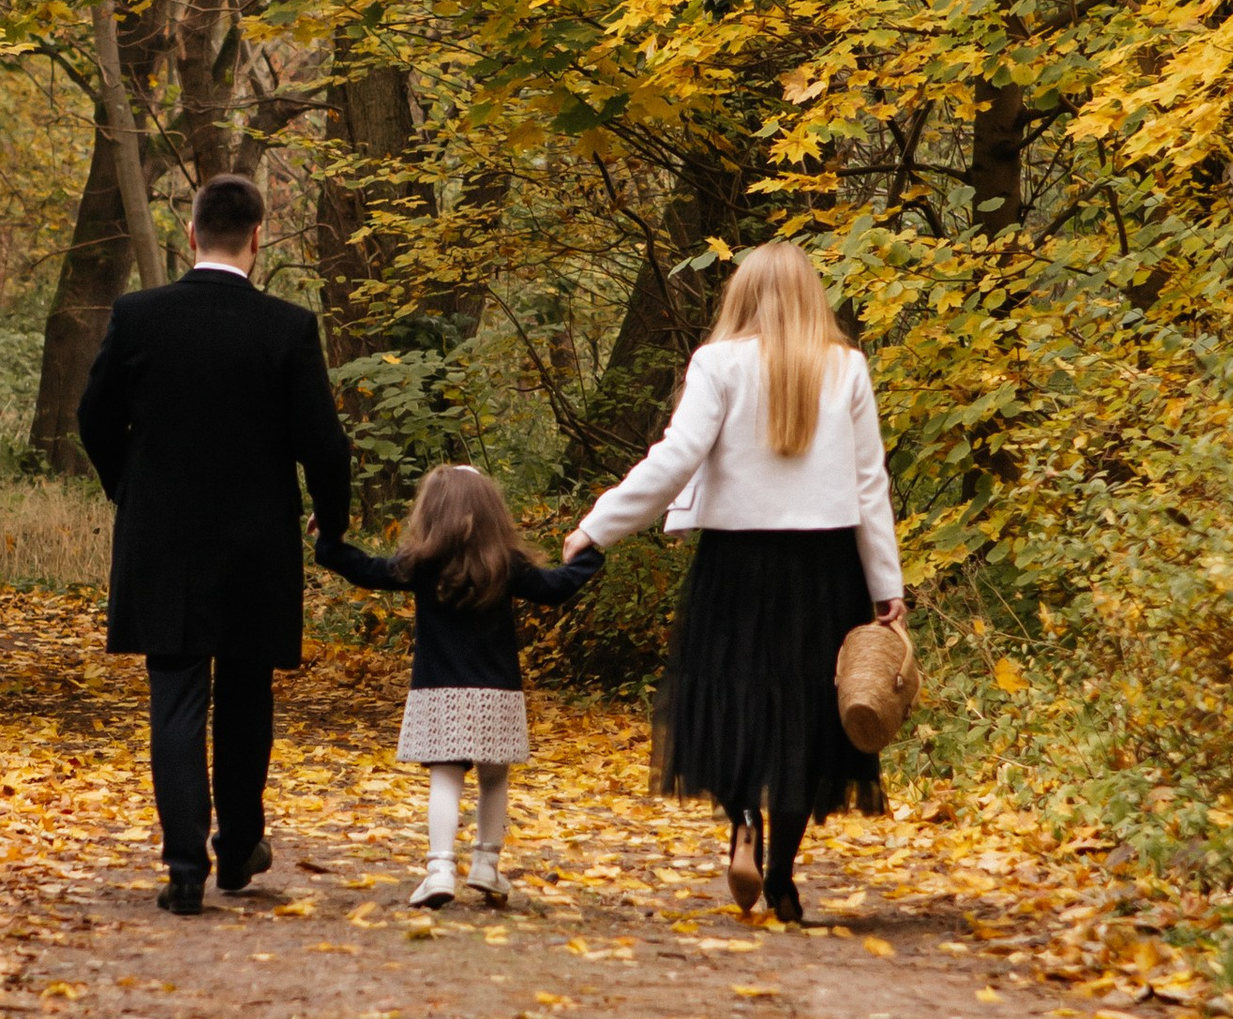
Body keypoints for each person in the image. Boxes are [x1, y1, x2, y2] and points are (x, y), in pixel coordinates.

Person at [567, 242, 907, 926]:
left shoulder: (718, 364)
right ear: (814, 296)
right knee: (805, 718)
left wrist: (597, 527)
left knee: (724, 700)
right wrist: (884, 585)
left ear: (741, 296)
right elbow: (871, 485)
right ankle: (782, 878)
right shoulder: (846, 367)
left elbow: (674, 459)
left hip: (736, 566)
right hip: (826, 567)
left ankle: (743, 820)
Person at [77, 172, 353, 915]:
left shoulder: (138, 316)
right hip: (256, 543)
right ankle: (236, 851)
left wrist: (126, 488)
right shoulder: (287, 328)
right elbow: (325, 447)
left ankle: (181, 867)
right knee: (244, 694)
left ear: (192, 234)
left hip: (161, 540)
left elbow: (93, 419)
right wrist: (333, 523)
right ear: (257, 240)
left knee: (175, 694)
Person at [316, 465, 599, 908]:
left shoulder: (421, 564)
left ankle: (440, 870)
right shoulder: (506, 564)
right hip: (497, 694)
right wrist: (591, 549)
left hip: (438, 692)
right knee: (493, 778)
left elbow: (365, 570)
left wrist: (329, 541)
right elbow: (557, 587)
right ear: (491, 513)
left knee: (444, 780)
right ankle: (487, 865)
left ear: (431, 512)